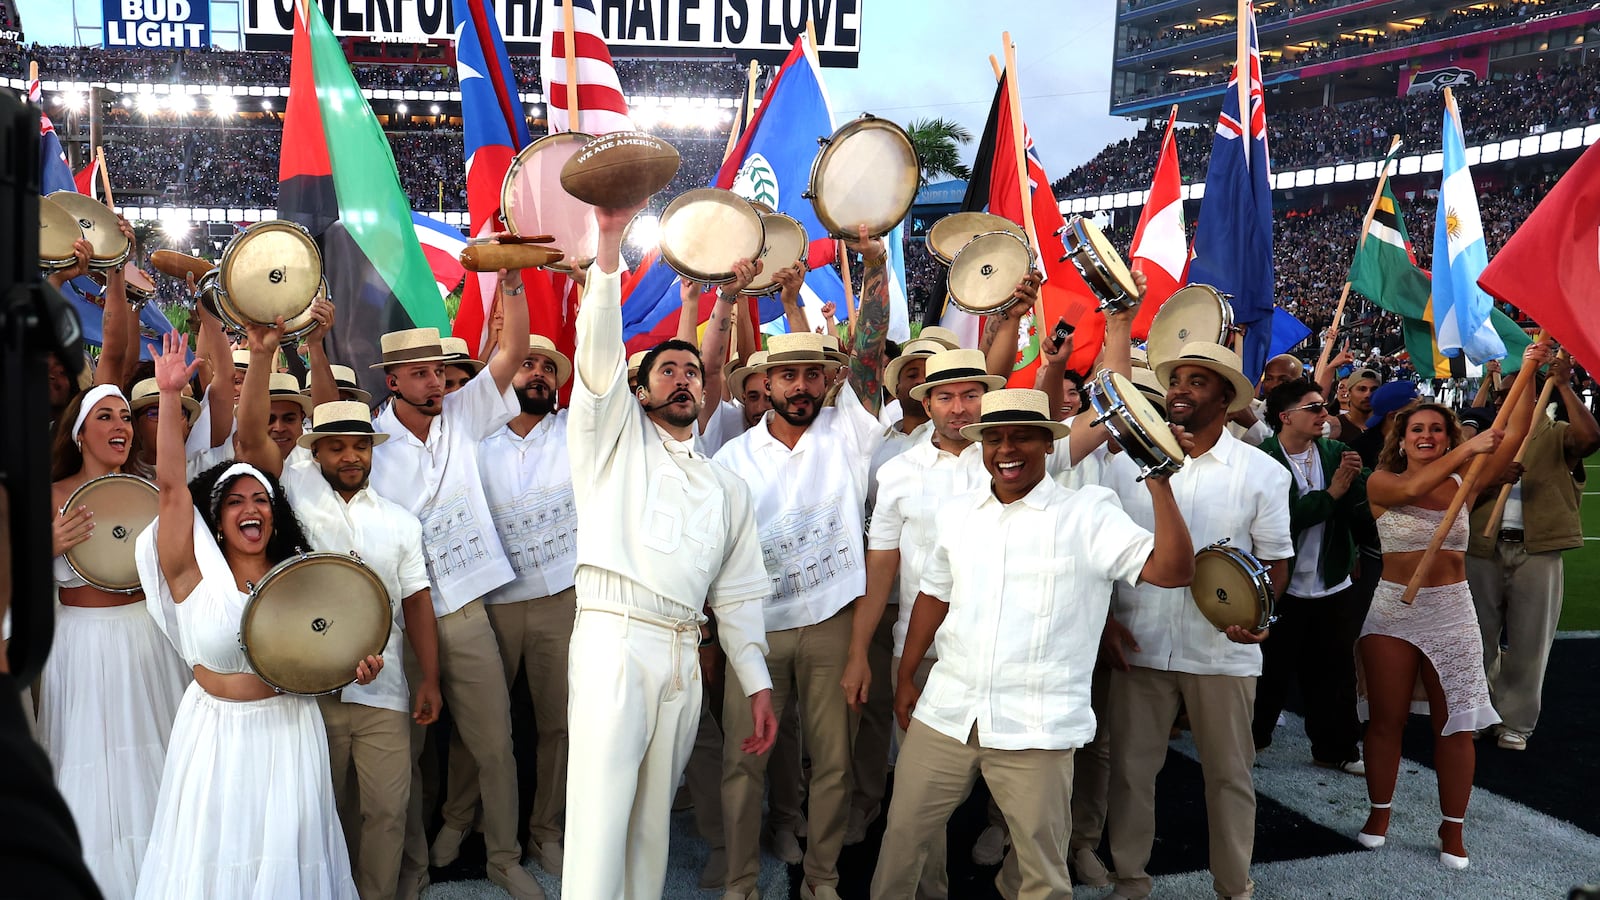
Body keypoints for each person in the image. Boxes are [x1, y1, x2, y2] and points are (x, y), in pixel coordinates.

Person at [870, 388, 1195, 900]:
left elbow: (1175, 571)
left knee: (1042, 876)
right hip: (948, 710)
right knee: (901, 843)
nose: (1006, 449)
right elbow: (934, 595)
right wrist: (908, 674)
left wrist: (1159, 482)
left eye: (1021, 435)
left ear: (1048, 443)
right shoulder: (959, 513)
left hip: (1037, 726)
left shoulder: (1088, 513)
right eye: (994, 437)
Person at [564, 198, 776, 900]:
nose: (684, 376)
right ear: (639, 390)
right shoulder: (609, 443)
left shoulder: (727, 487)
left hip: (685, 657)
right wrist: (610, 242)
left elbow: (741, 595)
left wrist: (756, 681)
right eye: (667, 370)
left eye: (692, 370)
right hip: (613, 643)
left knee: (652, 827)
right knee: (599, 823)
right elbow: (597, 357)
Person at [133, 331, 377, 898]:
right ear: (217, 521)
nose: (250, 508)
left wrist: (360, 666)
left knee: (285, 862)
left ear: (275, 514)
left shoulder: (298, 579)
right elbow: (171, 488)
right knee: (215, 861)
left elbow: (336, 649)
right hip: (214, 737)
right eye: (236, 500)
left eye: (261, 499)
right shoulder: (192, 573)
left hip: (288, 734)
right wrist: (170, 397)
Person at [713, 224, 896, 900]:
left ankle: (821, 880)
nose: (798, 385)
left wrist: (873, 266)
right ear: (764, 381)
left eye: (811, 373)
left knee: (835, 764)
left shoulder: (846, 431)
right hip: (754, 629)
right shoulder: (731, 458)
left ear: (827, 380)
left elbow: (871, 349)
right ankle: (738, 883)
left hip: (831, 624)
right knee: (745, 764)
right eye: (785, 374)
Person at [235, 314, 444, 900]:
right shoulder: (294, 493)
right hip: (306, 689)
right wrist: (288, 347)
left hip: (385, 689)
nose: (351, 456)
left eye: (359, 445)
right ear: (316, 451)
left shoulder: (400, 523)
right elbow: (251, 442)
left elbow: (418, 603)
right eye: (337, 446)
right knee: (320, 812)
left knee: (387, 812)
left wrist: (429, 679)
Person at [1101, 342, 1293, 900]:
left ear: (1227, 398)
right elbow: (1103, 552)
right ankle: (1129, 879)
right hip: (1140, 640)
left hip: (1224, 649)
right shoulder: (1125, 463)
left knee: (1230, 778)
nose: (1181, 389)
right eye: (1177, 379)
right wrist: (1109, 623)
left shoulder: (1261, 472)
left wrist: (1263, 617)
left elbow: (1277, 561)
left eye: (1197, 381)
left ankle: (1234, 887)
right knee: (1132, 773)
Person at [368, 298, 539, 898]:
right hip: (397, 620)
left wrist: (513, 282)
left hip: (465, 610)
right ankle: (413, 870)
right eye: (419, 373)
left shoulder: (463, 415)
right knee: (407, 757)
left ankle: (503, 859)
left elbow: (513, 350)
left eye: (439, 371)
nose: (435, 381)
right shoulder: (368, 442)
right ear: (392, 381)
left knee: (495, 744)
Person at [1355, 347, 1541, 870]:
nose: (1427, 436)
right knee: (1386, 721)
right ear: (1402, 436)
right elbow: (1414, 486)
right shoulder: (1381, 482)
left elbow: (1515, 434)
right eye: (1418, 429)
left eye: (1437, 429)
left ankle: (1453, 828)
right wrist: (1467, 448)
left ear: (1446, 435)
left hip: (1453, 610)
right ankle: (1379, 813)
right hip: (1393, 610)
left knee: (1455, 723)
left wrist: (1528, 374)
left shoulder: (1467, 484)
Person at [844, 348, 1004, 895]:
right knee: (919, 790)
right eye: (946, 396)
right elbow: (881, 567)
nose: (959, 408)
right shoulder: (896, 473)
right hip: (922, 650)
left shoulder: (1016, 457)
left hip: (1008, 649)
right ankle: (931, 888)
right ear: (926, 403)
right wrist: (859, 654)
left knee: (1015, 781)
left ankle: (1013, 862)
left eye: (970, 394)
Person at [436, 334, 580, 879]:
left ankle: (547, 830)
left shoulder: (574, 434)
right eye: (526, 364)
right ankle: (457, 818)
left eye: (548, 367)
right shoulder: (469, 436)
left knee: (557, 727)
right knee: (482, 726)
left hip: (561, 600)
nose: (538, 374)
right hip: (491, 600)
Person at [44, 384, 189, 900]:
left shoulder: (147, 488)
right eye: (104, 417)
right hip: (81, 648)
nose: (120, 427)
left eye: (125, 417)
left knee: (158, 756)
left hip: (146, 639)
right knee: (94, 765)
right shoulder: (48, 496)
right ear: (79, 434)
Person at [1466, 352, 1600, 751]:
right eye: (1508, 391)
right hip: (1482, 545)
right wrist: (1491, 482)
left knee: (1530, 639)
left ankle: (1516, 722)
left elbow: (1590, 438)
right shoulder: (1485, 438)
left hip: (1538, 547)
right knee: (1477, 638)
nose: (1512, 398)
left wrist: (1563, 385)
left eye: (1522, 390)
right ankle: (1478, 712)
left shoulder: (1557, 433)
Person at [1253, 379, 1371, 774]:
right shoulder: (1263, 459)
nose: (1325, 413)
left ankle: (1335, 747)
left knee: (1335, 669)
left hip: (1331, 580)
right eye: (1314, 407)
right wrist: (1332, 494)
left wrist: (1356, 485)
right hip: (1280, 583)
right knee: (1270, 667)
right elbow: (1281, 522)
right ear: (1286, 417)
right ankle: (1253, 739)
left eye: (1323, 406)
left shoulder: (1335, 451)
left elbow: (1362, 509)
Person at [1333, 368, 1381, 442]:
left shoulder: (1386, 426)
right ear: (1349, 393)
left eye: (1374, 390)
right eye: (1362, 389)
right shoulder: (1335, 425)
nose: (1368, 395)